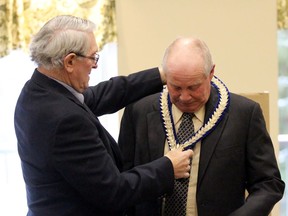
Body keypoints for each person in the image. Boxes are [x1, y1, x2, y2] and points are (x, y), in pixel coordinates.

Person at [14, 15, 194, 216]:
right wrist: (168, 167)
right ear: (70, 61)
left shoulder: (38, 90)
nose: (95, 65)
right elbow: (114, 192)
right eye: (93, 57)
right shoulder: (65, 119)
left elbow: (100, 95)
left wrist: (161, 75)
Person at [118, 37, 285, 216]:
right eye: (176, 87)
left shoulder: (244, 114)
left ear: (211, 73)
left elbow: (268, 183)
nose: (184, 97)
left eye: (193, 87)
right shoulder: (139, 112)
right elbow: (122, 181)